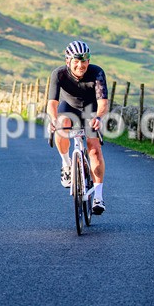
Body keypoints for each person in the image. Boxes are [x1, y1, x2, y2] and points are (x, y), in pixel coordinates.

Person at [47, 40, 109, 214]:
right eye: (76, 61)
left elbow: (103, 102)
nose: (80, 65)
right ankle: (67, 165)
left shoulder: (97, 73)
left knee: (95, 150)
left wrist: (98, 117)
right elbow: (52, 103)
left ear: (88, 61)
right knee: (61, 123)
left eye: (84, 61)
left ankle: (98, 196)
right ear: (68, 61)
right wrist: (52, 119)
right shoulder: (58, 74)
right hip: (69, 109)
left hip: (90, 110)